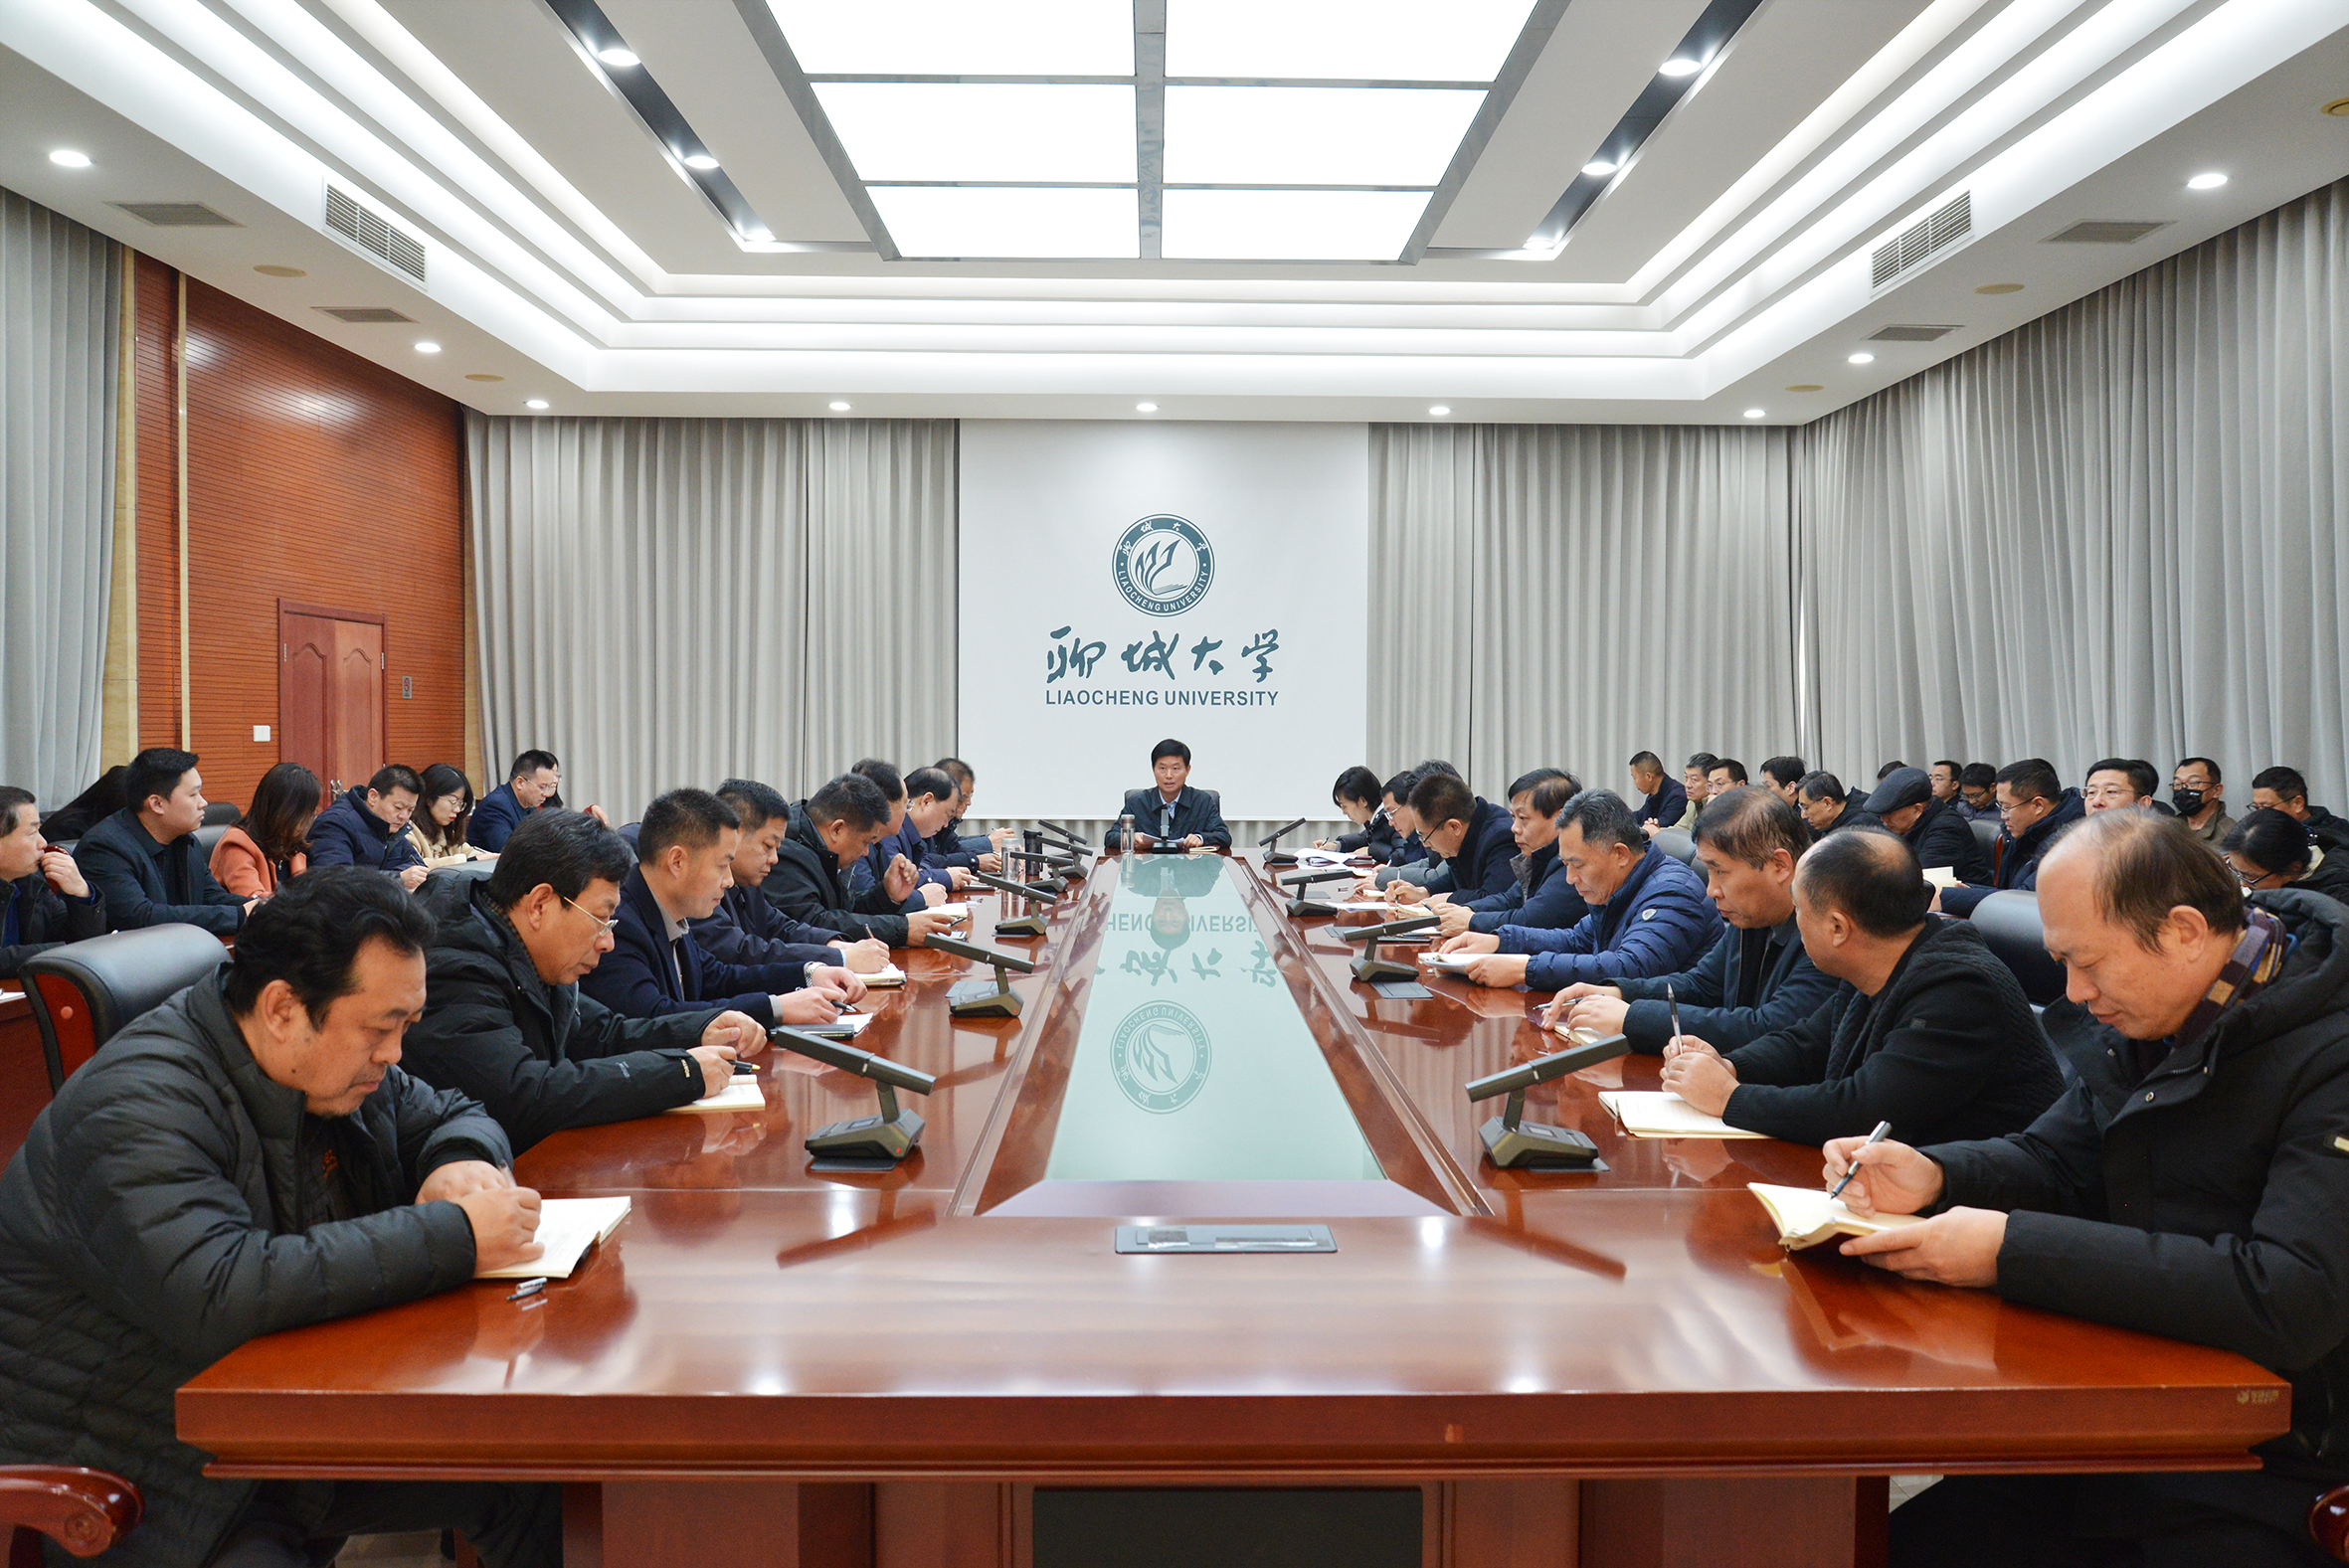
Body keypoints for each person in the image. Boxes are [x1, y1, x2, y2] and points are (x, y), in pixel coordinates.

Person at [1828, 811, 2349, 1568]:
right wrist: (1938, 1173)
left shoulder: (2328, 1052)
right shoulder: (2156, 1017)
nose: (2073, 992)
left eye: (2088, 962)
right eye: (2060, 962)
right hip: (2132, 1407)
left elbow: (2292, 1295)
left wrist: (2009, 1250)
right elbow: (2057, 1158)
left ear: (2183, 931)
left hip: (2273, 1463)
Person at [0, 868, 560, 1568]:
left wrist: (460, 1162)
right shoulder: (134, 1105)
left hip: (268, 1423)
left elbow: (452, 1111)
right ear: (282, 1009)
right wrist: (460, 1234)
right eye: (381, 1028)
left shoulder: (328, 1068)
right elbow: (222, 1289)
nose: (394, 1052)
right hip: (148, 1471)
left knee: (533, 1473)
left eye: (406, 1027)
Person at [1661, 827, 2063, 1146]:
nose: (1795, 920)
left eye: (1798, 909)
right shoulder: (1882, 958)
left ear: (1837, 928)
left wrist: (1728, 1098)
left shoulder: (1960, 989)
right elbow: (1807, 1044)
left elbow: (1863, 1111)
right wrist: (1730, 1066)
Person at [403, 810, 767, 1154]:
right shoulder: (456, 966)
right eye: (600, 919)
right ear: (540, 905)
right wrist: (681, 1073)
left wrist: (701, 1030)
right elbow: (523, 1097)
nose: (608, 942)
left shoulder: (529, 947)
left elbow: (603, 1034)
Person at [1547, 787, 1841, 1055]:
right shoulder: (1753, 916)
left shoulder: (1828, 931)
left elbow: (1767, 1029)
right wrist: (1619, 992)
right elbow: (1701, 985)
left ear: (1779, 865)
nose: (1711, 890)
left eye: (1720, 872)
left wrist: (1631, 1017)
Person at [581, 788, 854, 1029]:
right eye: (722, 866)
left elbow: (718, 978)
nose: (729, 880)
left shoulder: (669, 910)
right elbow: (654, 1016)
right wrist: (775, 1008)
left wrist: (809, 973)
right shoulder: (621, 923)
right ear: (677, 861)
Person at [1432, 788, 1720, 990]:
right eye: (1566, 864)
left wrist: (1524, 968)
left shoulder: (1672, 892)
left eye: (1577, 865)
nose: (1570, 878)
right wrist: (1499, 941)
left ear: (1620, 854)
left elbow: (1628, 968)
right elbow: (1576, 940)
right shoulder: (1620, 884)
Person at [693, 779, 891, 974]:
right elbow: (741, 952)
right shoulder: (699, 885)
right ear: (734, 835)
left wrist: (836, 945)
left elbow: (781, 928)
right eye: (768, 846)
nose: (774, 859)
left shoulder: (746, 883)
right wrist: (841, 958)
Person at [766, 774, 963, 948]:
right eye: (866, 842)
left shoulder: (821, 848)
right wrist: (902, 929)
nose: (867, 852)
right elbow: (815, 923)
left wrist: (887, 896)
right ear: (837, 829)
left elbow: (845, 911)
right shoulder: (786, 854)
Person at [75, 747, 255, 935]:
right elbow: (140, 917)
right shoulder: (104, 848)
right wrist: (239, 916)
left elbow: (211, 896)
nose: (203, 803)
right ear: (157, 804)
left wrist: (263, 908)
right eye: (193, 795)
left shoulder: (185, 840)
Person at [1428, 773, 1587, 939]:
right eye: (1513, 817)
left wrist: (1471, 920)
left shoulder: (1572, 863)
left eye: (1523, 818)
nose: (1514, 828)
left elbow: (1531, 919)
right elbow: (1509, 899)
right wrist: (1465, 910)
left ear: (1560, 818)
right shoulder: (1540, 856)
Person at [1939, 758, 2085, 918]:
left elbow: (2023, 900)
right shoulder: (2021, 832)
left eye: (2007, 808)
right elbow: (2009, 892)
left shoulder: (2072, 841)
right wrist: (1968, 891)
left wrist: (1947, 897)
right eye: (2000, 807)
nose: (2003, 816)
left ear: (2038, 805)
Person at [0, 785, 104, 977]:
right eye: (32, 833)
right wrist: (63, 951)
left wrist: (81, 893)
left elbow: (83, 943)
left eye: (39, 831)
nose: (43, 843)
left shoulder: (31, 881)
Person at [847, 760, 959, 908]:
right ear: (884, 806)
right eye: (906, 804)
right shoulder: (864, 840)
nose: (907, 812)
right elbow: (858, 907)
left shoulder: (879, 841)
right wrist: (920, 899)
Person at [1390, 771, 1515, 902]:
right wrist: (1423, 892)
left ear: (1454, 827)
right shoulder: (1470, 827)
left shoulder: (1501, 838)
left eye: (1425, 837)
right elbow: (1456, 876)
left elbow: (1493, 899)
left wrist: (1447, 899)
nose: (1425, 844)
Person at [306, 765, 430, 890]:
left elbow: (417, 867)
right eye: (398, 807)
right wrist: (397, 878)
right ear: (373, 797)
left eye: (410, 810)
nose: (404, 816)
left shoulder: (390, 827)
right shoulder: (335, 824)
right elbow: (335, 880)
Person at [1866, 764, 1992, 886]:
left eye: (1889, 813)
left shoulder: (1947, 829)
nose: (1883, 819)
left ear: (1917, 810)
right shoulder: (1905, 825)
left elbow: (1918, 879)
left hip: (1964, 896)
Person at [210, 762, 319, 898]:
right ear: (282, 811)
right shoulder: (237, 845)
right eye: (306, 812)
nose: (312, 817)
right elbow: (254, 900)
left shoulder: (290, 844)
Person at [466, 750, 608, 852]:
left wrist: (586, 818)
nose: (547, 794)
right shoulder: (495, 806)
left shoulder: (529, 804)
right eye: (542, 787)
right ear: (520, 783)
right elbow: (510, 852)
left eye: (550, 787)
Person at [1107, 739, 1232, 851]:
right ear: (1153, 769)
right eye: (1162, 768)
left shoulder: (1202, 801)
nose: (1168, 775)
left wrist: (1201, 838)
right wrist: (1130, 838)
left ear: (1187, 770)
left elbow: (1224, 836)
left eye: (1175, 769)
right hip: (1148, 869)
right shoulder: (1137, 802)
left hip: (1189, 868)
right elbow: (1111, 837)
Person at [2223, 808, 2349, 907]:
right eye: (2236, 871)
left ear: (2293, 869)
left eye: (2249, 877)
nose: (2243, 884)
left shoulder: (2335, 899)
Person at [923, 757, 1008, 873]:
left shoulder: (944, 826)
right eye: (963, 797)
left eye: (970, 796)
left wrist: (998, 859)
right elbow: (927, 860)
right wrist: (975, 859)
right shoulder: (923, 825)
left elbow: (954, 848)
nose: (968, 803)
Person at [2251, 766, 2349, 857]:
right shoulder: (2260, 834)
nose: (2259, 815)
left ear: (2298, 804)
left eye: (2267, 807)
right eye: (2256, 808)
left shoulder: (2335, 838)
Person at [407, 763, 488, 867]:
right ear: (429, 798)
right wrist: (467, 860)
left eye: (460, 803)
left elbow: (467, 851)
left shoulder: (446, 830)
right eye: (453, 801)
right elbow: (417, 867)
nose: (457, 810)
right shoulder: (407, 832)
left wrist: (489, 857)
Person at [1317, 766, 1402, 861]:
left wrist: (1370, 850)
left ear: (1362, 801)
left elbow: (1402, 855)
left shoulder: (1391, 818)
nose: (1344, 812)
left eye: (1344, 806)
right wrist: (1337, 845)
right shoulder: (1376, 820)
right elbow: (1364, 838)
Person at [2171, 756, 2236, 847]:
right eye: (2177, 784)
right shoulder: (2168, 829)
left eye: (2193, 783)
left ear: (2216, 790)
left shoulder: (2231, 835)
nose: (2183, 790)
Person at [1798, 771, 1879, 839]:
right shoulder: (1831, 825)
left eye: (1806, 808)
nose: (1803, 816)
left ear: (1827, 803)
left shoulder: (1859, 830)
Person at [1627, 752, 1686, 833]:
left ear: (1649, 776)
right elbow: (1639, 816)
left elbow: (1658, 828)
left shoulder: (1678, 797)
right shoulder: (1654, 794)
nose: (1634, 782)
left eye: (1635, 778)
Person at [1671, 753, 1719, 830]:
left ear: (1710, 782)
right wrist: (1656, 830)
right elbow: (1678, 830)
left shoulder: (1719, 807)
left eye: (1694, 779)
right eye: (1686, 777)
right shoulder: (1692, 803)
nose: (1687, 785)